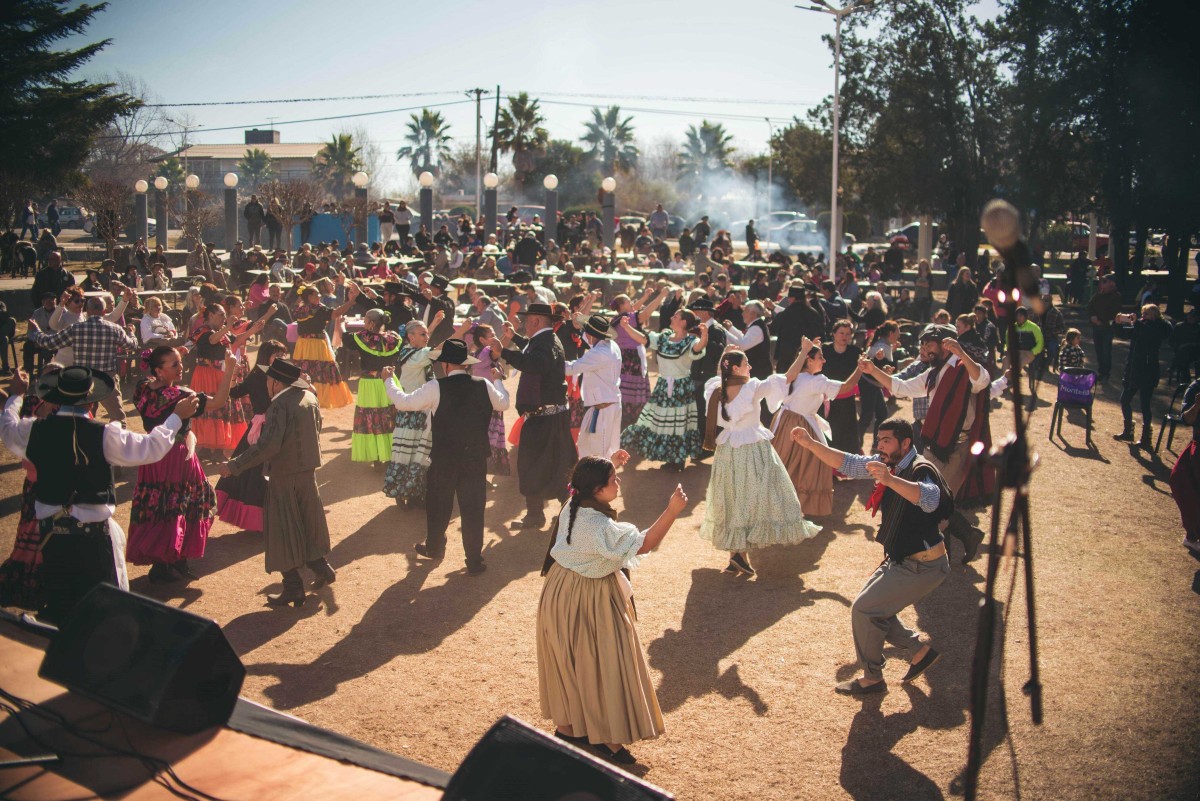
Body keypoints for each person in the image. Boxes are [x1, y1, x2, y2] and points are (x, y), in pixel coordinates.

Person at [0, 367, 199, 623]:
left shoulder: (33, 431)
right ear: (91, 400)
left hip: (52, 540)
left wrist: (16, 396)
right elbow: (150, 448)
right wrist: (175, 417)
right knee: (102, 618)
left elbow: (7, 428)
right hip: (93, 541)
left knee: (62, 612)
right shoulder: (104, 434)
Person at [537, 452, 687, 765]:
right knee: (601, 663)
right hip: (589, 596)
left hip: (558, 589)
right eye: (613, 480)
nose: (618, 483)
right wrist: (672, 511)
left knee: (569, 661)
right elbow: (644, 544)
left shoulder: (572, 503)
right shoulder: (600, 527)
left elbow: (585, 482)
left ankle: (568, 728)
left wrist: (611, 462)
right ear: (597, 490)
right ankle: (604, 737)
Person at [789, 417, 952, 694]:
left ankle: (872, 678)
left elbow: (931, 498)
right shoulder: (889, 463)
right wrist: (810, 443)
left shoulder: (920, 468)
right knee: (873, 611)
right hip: (902, 559)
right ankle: (918, 652)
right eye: (879, 441)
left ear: (906, 443)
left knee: (864, 610)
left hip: (923, 565)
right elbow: (847, 463)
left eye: (886, 441)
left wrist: (890, 480)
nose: (880, 446)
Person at [859, 325, 989, 562]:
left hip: (957, 447)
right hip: (934, 444)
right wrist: (873, 370)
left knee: (935, 501)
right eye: (923, 344)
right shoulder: (932, 373)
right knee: (927, 499)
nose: (924, 348)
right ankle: (959, 541)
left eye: (930, 343)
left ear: (945, 344)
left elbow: (982, 380)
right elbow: (901, 387)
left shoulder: (962, 368)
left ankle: (946, 550)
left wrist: (962, 353)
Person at [382, 339, 510, 574]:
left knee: (438, 504)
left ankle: (434, 547)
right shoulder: (483, 384)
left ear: (447, 365)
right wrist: (498, 379)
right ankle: (474, 559)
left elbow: (403, 403)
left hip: (444, 457)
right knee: (473, 508)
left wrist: (389, 380)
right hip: (474, 457)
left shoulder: (435, 387)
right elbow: (503, 404)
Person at [217, 360, 334, 606]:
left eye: (268, 379)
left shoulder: (280, 405)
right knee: (306, 522)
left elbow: (268, 446)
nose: (265, 383)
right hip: (306, 473)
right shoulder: (308, 397)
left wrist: (234, 465)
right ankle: (321, 567)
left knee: (281, 529)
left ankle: (293, 587)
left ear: (276, 382)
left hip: (284, 475)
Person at [700, 349, 821, 576]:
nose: (750, 367)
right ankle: (739, 553)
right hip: (751, 448)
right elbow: (787, 377)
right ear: (735, 368)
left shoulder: (715, 389)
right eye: (746, 363)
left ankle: (737, 554)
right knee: (758, 496)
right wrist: (803, 351)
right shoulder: (751, 388)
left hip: (727, 449)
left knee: (735, 498)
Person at [127, 347, 233, 583]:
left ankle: (163, 561)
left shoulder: (142, 389)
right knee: (190, 500)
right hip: (176, 456)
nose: (181, 366)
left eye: (180, 361)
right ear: (159, 370)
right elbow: (218, 402)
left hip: (152, 455)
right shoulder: (182, 396)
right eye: (174, 364)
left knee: (158, 503)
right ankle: (175, 558)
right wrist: (230, 368)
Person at [500, 302, 578, 530]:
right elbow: (533, 352)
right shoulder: (545, 339)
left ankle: (543, 516)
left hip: (545, 418)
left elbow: (537, 363)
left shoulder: (545, 342)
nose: (524, 324)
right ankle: (559, 516)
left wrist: (503, 352)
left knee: (538, 464)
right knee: (556, 464)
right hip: (550, 416)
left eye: (526, 320)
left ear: (536, 320)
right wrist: (514, 338)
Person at [770, 339, 865, 515]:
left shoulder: (795, 375)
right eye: (820, 357)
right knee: (806, 467)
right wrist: (860, 368)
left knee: (785, 464)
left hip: (784, 423)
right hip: (800, 426)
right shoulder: (816, 381)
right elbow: (847, 387)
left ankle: (779, 506)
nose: (824, 360)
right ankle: (792, 508)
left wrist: (808, 348)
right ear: (809, 360)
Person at [25, 296, 139, 425]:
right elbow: (132, 346)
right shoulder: (114, 329)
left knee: (78, 416)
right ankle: (115, 443)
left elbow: (49, 343)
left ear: (88, 311)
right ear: (104, 312)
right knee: (118, 418)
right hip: (107, 378)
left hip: (82, 379)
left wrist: (36, 332)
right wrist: (132, 333)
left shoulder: (76, 329)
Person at [619, 310, 709, 471]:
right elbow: (643, 339)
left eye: (675, 316)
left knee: (679, 424)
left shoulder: (690, 341)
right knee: (661, 421)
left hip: (681, 388)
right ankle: (671, 457)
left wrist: (704, 336)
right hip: (663, 385)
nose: (671, 317)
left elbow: (698, 348)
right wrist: (626, 328)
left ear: (683, 323)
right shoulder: (663, 338)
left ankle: (677, 459)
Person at [215, 340, 288, 533]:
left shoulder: (281, 376)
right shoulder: (257, 376)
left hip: (277, 428)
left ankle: (273, 520)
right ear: (266, 356)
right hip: (261, 431)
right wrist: (231, 372)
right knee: (255, 474)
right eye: (277, 356)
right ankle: (259, 521)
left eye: (283, 356)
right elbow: (234, 392)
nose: (281, 359)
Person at [188, 303, 266, 454]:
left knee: (222, 407)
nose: (224, 318)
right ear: (210, 315)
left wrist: (253, 330)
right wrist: (227, 326)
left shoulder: (222, 332)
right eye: (221, 315)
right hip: (205, 373)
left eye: (224, 315)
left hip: (219, 372)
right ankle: (205, 445)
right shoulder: (202, 331)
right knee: (207, 407)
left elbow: (236, 340)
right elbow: (211, 340)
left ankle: (217, 447)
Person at [383, 318, 441, 507]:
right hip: (412, 410)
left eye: (427, 334)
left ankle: (413, 492)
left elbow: (424, 342)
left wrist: (432, 325)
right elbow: (438, 350)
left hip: (417, 408)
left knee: (414, 452)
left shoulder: (412, 351)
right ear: (410, 337)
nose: (427, 337)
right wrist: (460, 331)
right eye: (423, 334)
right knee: (412, 452)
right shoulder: (415, 356)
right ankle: (406, 492)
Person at [344, 307, 403, 463]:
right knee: (389, 416)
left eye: (365, 319)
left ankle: (377, 455)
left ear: (370, 322)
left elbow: (344, 338)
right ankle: (392, 453)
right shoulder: (393, 338)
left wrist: (339, 323)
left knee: (372, 418)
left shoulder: (362, 337)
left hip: (370, 384)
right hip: (389, 381)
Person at [1114, 305, 1173, 447]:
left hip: (1148, 370)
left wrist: (1138, 323)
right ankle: (1128, 431)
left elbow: (1154, 336)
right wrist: (1117, 323)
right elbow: (1124, 334)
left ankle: (1146, 438)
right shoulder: (1141, 324)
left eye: (1147, 313)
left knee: (1145, 404)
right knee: (1125, 399)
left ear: (1155, 314)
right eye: (1143, 313)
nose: (1143, 315)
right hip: (1133, 369)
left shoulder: (1162, 326)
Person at [564, 315, 623, 460]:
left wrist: (551, 361)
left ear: (591, 334)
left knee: (598, 454)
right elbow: (588, 339)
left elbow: (571, 368)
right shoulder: (609, 345)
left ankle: (601, 482)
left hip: (603, 409)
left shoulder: (598, 353)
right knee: (601, 450)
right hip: (607, 405)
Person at [292, 286, 355, 408]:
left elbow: (296, 305)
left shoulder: (300, 310)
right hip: (316, 346)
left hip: (302, 345)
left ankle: (305, 401)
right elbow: (336, 313)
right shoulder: (319, 310)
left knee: (305, 371)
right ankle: (317, 401)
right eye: (316, 295)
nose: (320, 296)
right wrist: (352, 301)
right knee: (319, 373)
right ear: (309, 297)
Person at [469, 324, 512, 475]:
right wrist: (508, 336)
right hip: (490, 403)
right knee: (489, 439)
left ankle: (480, 474)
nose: (495, 337)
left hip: (483, 402)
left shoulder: (478, 353)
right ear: (482, 339)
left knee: (484, 438)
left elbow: (496, 347)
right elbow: (497, 349)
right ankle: (482, 474)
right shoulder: (486, 353)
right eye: (491, 335)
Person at [823, 320, 863, 453]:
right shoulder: (824, 350)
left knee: (848, 434)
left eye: (847, 333)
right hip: (826, 399)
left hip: (847, 399)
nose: (844, 336)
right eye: (841, 333)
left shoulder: (855, 352)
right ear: (833, 334)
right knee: (828, 432)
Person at [1169, 377, 1200, 554]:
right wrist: (1197, 405)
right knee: (1182, 483)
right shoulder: (1196, 387)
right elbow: (1186, 419)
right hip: (1197, 447)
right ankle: (1192, 536)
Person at [859, 321, 900, 441]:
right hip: (869, 383)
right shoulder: (882, 346)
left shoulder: (884, 345)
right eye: (898, 332)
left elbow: (882, 362)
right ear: (891, 333)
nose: (899, 335)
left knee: (881, 414)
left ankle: (875, 444)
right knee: (867, 416)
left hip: (873, 384)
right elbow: (883, 365)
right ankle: (857, 442)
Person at [1087, 274, 1122, 382]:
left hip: (1107, 327)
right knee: (1098, 350)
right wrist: (1093, 317)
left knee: (1106, 351)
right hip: (1096, 327)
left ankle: (1106, 373)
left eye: (1105, 281)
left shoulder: (1116, 296)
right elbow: (1090, 306)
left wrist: (1101, 321)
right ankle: (1101, 372)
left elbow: (1114, 313)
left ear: (1112, 283)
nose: (1102, 284)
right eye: (1102, 281)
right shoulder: (1098, 295)